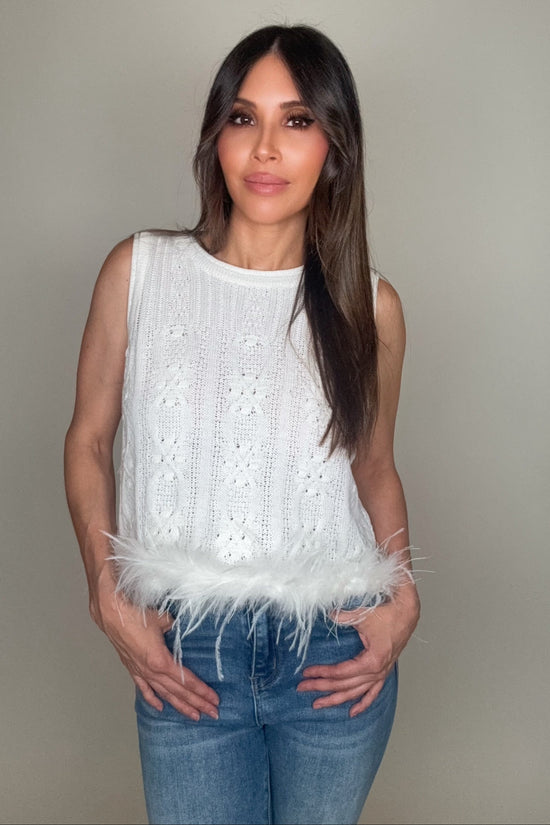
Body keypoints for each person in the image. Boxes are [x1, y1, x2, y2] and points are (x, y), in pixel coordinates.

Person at [64, 23, 420, 825]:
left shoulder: (370, 307)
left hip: (333, 648)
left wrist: (403, 595)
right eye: (242, 117)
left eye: (297, 120)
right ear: (215, 136)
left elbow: (373, 466)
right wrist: (104, 589)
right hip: (187, 651)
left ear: (334, 147)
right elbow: (87, 440)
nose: (265, 148)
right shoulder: (138, 271)